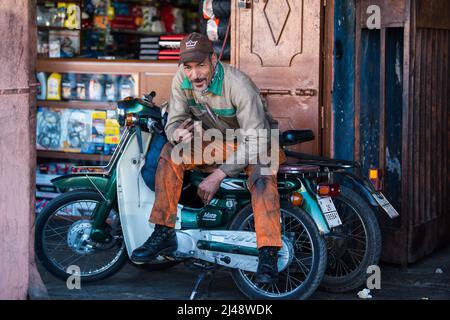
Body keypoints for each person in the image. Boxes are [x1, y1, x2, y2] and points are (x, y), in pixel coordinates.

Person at [131, 33, 285, 284]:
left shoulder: (238, 85)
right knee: (171, 152)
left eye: (200, 65)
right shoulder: (182, 79)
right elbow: (174, 120)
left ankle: (268, 254)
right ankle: (164, 231)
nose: (195, 75)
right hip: (220, 143)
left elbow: (256, 140)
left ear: (213, 60)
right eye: (188, 67)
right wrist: (176, 132)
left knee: (262, 179)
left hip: (260, 143)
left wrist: (218, 175)